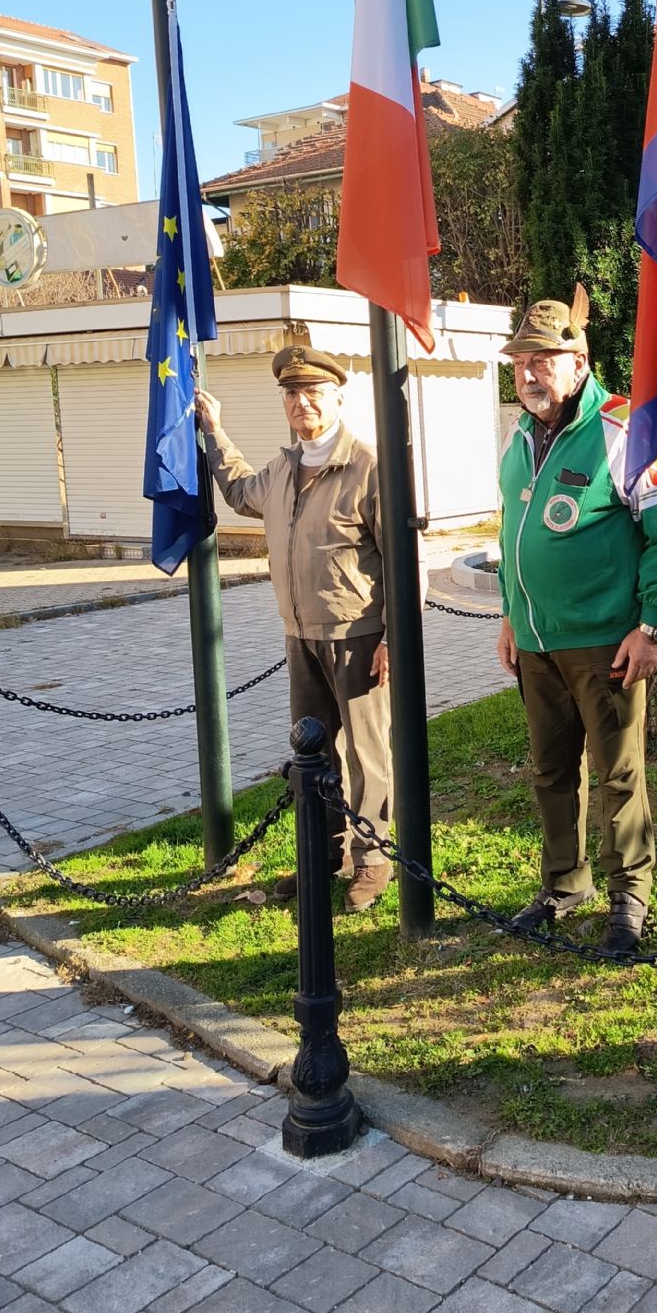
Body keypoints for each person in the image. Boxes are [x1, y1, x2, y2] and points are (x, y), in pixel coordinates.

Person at [194, 346, 402, 913]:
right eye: (291, 393)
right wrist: (214, 431)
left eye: (313, 392)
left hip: (358, 635)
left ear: (337, 397)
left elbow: (402, 558)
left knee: (367, 755)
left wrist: (393, 638)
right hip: (300, 634)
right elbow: (241, 492)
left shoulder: (368, 466)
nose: (301, 402)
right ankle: (323, 853)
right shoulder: (284, 468)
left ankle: (373, 859)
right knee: (315, 752)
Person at [496, 285, 657, 954]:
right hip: (536, 642)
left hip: (605, 644)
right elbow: (511, 533)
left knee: (618, 775)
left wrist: (650, 627)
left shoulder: (622, 428)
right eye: (519, 363)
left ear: (579, 362)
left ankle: (630, 898)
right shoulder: (519, 435)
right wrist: (510, 615)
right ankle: (564, 883)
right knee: (550, 771)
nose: (528, 374)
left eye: (542, 360)